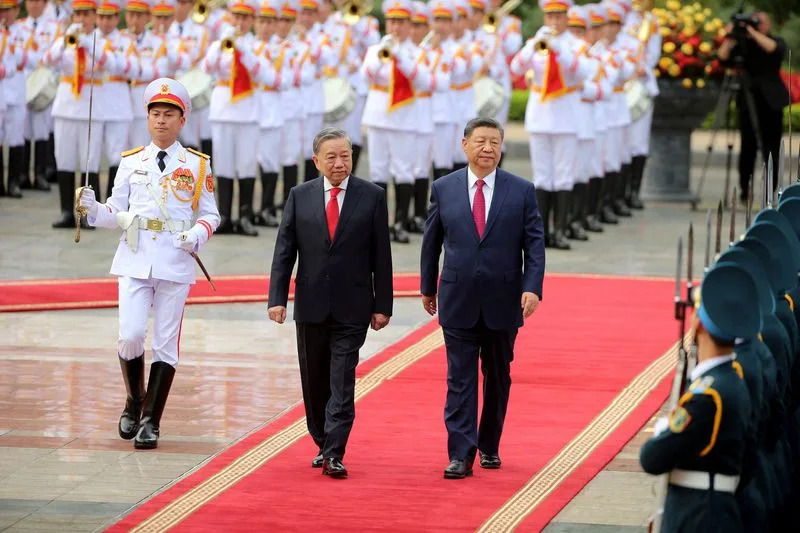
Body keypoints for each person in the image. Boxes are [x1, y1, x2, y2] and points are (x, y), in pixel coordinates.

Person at [77, 77, 221, 449]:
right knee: (130, 335)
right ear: (147, 117)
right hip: (135, 256)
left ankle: (151, 420)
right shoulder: (131, 161)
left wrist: (197, 234)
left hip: (175, 259)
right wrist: (92, 209)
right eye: (155, 113)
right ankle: (133, 399)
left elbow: (211, 214)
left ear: (182, 120)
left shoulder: (197, 165)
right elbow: (115, 212)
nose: (161, 120)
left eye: (169, 114)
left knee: (166, 343)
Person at [420, 117, 546, 479]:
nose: (488, 148)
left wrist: (532, 287)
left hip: (503, 300)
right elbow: (431, 242)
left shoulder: (521, 190)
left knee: (497, 375)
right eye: (481, 141)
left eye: (494, 142)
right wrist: (428, 287)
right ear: (465, 145)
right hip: (457, 297)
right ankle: (460, 453)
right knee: (459, 379)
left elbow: (534, 244)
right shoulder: (444, 188)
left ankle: (489, 444)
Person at [267, 127, 393, 478]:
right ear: (317, 161)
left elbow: (381, 255)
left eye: (346, 156)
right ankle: (322, 440)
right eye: (332, 157)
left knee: (342, 379)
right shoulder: (300, 195)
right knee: (315, 381)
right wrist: (277, 298)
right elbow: (284, 250)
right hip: (311, 305)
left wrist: (383, 304)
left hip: (353, 306)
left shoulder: (372, 196)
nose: (340, 163)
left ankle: (335, 451)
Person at [639, 263, 758, 533]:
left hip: (698, 515)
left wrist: (664, 430)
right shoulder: (733, 380)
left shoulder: (708, 396)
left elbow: (652, 458)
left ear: (699, 323)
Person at [717, 11, 790, 203]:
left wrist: (752, 31)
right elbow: (722, 58)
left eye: (761, 22)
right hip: (748, 101)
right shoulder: (743, 45)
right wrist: (730, 37)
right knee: (747, 148)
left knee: (771, 147)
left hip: (771, 102)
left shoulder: (775, 41)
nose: (758, 25)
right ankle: (744, 190)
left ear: (768, 25)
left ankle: (771, 189)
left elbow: (774, 50)